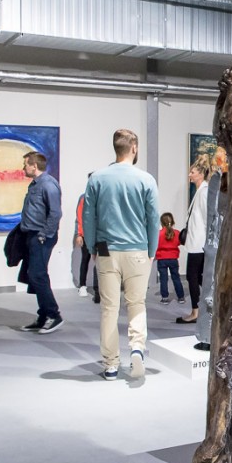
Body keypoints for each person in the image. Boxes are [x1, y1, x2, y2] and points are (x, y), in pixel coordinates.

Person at [83, 129, 160, 381]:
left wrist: (92, 248)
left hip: (106, 249)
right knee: (136, 303)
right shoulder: (146, 179)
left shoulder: (97, 179)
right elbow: (153, 219)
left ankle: (111, 364)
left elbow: (88, 218)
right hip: (137, 249)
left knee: (109, 308)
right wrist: (152, 249)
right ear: (134, 148)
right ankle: (137, 348)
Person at [18, 151, 64, 334]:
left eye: (25, 164)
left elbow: (55, 213)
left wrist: (44, 234)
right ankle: (43, 316)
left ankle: (53, 315)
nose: (23, 168)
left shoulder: (48, 185)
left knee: (38, 275)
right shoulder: (35, 184)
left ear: (34, 166)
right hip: (32, 235)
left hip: (42, 236)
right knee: (34, 275)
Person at [179, 160, 209, 324]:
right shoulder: (200, 192)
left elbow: (207, 219)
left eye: (193, 172)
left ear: (201, 174)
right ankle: (202, 309)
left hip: (199, 244)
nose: (189, 175)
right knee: (197, 277)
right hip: (196, 243)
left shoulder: (203, 193)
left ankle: (196, 312)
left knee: (193, 277)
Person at [73, 175, 99, 303]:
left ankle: (99, 290)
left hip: (101, 236)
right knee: (85, 259)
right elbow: (79, 217)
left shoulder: (104, 196)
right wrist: (79, 234)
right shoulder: (84, 198)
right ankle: (82, 286)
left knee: (102, 261)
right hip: (87, 235)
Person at [156, 212, 186, 305]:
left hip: (162, 259)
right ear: (173, 222)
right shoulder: (176, 233)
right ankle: (181, 297)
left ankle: (165, 298)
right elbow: (180, 242)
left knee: (163, 279)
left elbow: (155, 245)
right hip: (173, 259)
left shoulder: (158, 234)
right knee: (176, 278)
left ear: (161, 223)